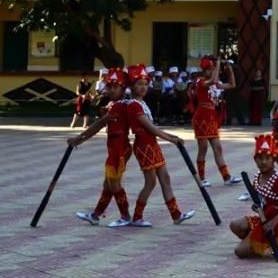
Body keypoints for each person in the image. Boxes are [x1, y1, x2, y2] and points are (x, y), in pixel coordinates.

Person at [112, 64, 196, 228]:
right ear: (131, 86)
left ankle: (176, 214)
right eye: (139, 84)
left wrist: (171, 137)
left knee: (165, 178)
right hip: (143, 145)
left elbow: (152, 129)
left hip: (152, 143)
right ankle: (137, 216)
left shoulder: (142, 103)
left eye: (145, 83)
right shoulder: (133, 105)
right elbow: (149, 128)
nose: (143, 87)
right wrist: (171, 138)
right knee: (150, 182)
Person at [69, 68, 132, 225]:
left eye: (115, 87)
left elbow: (99, 124)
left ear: (123, 88)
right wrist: (81, 138)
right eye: (109, 86)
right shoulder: (115, 104)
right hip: (114, 146)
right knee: (108, 184)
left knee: (114, 184)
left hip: (119, 148)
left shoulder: (120, 105)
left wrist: (80, 138)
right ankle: (96, 215)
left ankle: (125, 216)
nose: (111, 89)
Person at [229, 135, 278, 259]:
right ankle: (255, 241)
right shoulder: (258, 175)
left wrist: (274, 222)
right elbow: (259, 199)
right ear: (255, 160)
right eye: (260, 158)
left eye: (267, 158)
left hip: (272, 224)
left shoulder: (277, 179)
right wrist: (256, 206)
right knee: (235, 225)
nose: (263, 162)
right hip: (262, 219)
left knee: (239, 252)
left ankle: (265, 243)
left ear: (273, 159)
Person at [191, 55, 243, 191]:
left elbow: (232, 84)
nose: (212, 71)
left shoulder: (215, 84)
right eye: (209, 69)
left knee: (218, 148)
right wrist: (219, 63)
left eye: (213, 69)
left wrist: (229, 68)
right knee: (203, 149)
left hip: (212, 118)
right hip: (201, 117)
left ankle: (226, 177)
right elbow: (213, 79)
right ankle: (201, 179)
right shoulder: (200, 81)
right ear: (204, 70)